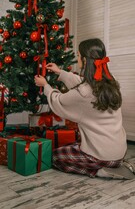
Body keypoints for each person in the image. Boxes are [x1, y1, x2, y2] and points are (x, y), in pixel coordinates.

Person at [34, 38, 135, 179]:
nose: (77, 58)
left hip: (102, 156)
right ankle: (115, 165)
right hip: (119, 152)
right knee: (77, 144)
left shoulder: (83, 93)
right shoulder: (111, 83)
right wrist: (60, 72)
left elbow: (58, 101)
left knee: (56, 157)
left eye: (78, 55)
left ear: (85, 60)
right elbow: (83, 84)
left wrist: (45, 85)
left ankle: (99, 171)